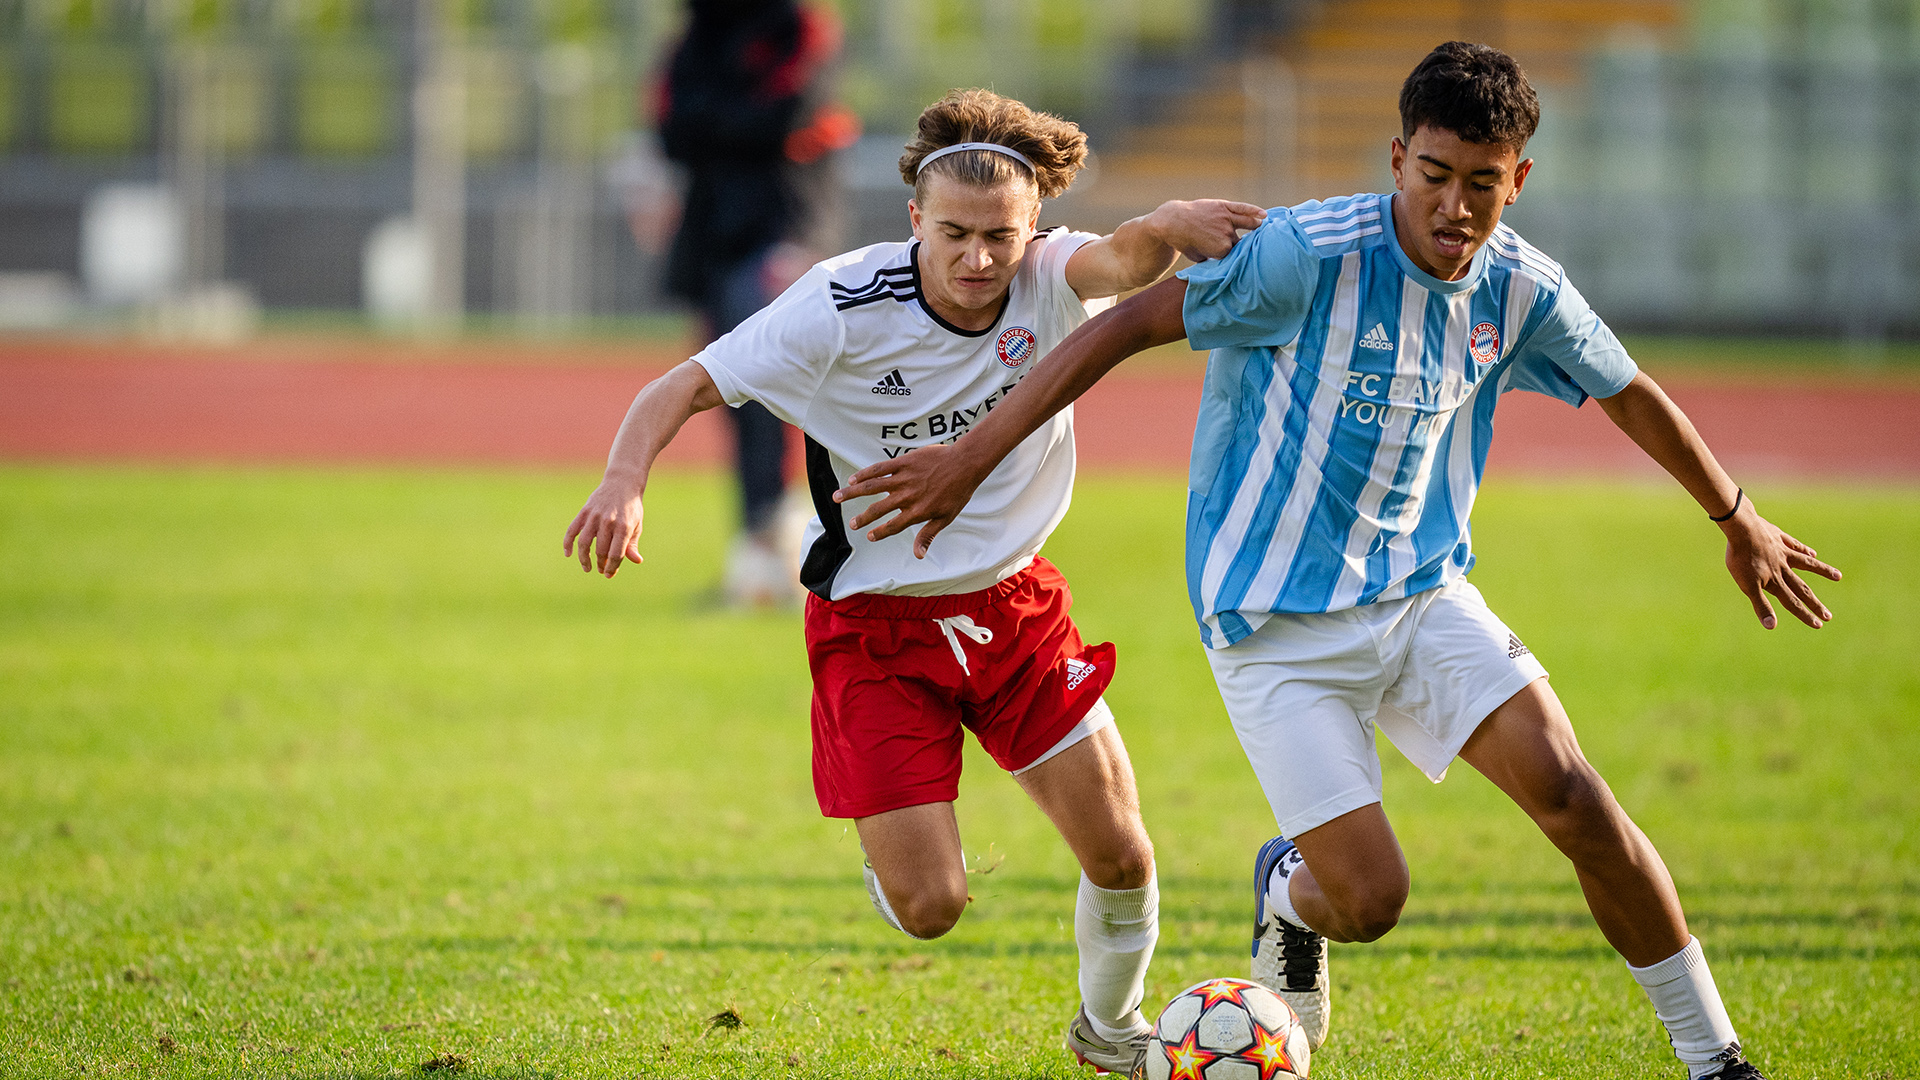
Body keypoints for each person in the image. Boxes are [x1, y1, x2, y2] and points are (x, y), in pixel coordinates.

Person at [829, 44, 1843, 1080]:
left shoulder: (1522, 287)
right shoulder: (1306, 257)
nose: (1456, 207)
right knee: (1369, 902)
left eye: (1483, 184)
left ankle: (1715, 1059)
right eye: (1435, 175)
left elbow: (1627, 388)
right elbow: (1129, 325)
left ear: (1518, 179)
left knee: (1574, 795)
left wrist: (1737, 515)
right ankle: (1289, 891)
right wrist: (971, 454)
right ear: (1398, 158)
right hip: (1274, 628)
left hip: (1421, 594)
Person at [566, 88, 1267, 1074]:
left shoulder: (1048, 274)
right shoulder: (838, 304)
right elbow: (683, 383)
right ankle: (890, 855)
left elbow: (1120, 258)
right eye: (955, 235)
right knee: (930, 910)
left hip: (1015, 613)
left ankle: (1112, 1032)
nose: (981, 259)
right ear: (913, 223)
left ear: (1030, 228)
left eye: (1001, 237)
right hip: (874, 631)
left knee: (1124, 854)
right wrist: (622, 480)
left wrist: (1169, 224)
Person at [647, 0, 861, 606]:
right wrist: (730, 123)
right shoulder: (699, 31)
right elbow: (669, 128)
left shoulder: (798, 23)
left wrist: (713, 123)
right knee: (731, 393)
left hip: (785, 224)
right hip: (713, 229)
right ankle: (760, 551)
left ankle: (802, 547)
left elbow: (785, 110)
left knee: (782, 390)